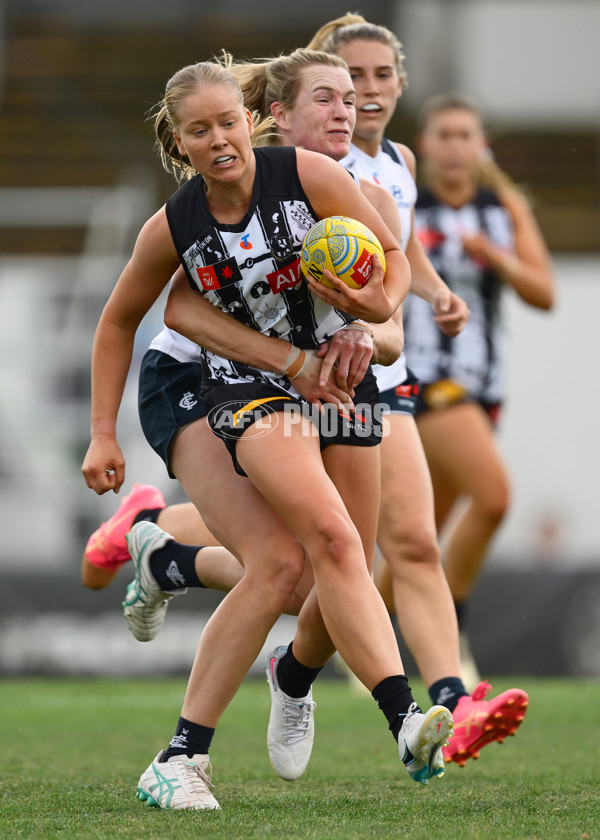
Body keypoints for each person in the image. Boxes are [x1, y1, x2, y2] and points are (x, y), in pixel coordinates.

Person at [81, 53, 453, 811]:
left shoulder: (315, 177)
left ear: (250, 121)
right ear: (179, 142)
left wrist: (367, 305)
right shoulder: (175, 224)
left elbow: (391, 268)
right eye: (199, 130)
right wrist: (101, 435)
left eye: (226, 122)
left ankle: (299, 676)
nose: (218, 139)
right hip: (239, 383)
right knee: (296, 555)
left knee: (335, 556)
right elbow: (133, 318)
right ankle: (394, 717)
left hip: (325, 376)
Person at [305, 14, 530, 764]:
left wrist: (432, 293)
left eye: (378, 77)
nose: (364, 93)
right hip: (312, 379)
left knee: (413, 542)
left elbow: (396, 249)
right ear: (324, 86)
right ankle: (161, 544)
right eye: (349, 79)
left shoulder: (397, 159)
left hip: (385, 375)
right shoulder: (311, 159)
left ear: (400, 83)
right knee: (288, 558)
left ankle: (452, 705)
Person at [401, 90, 555, 682]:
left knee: (419, 536)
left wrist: (497, 257)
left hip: (485, 387)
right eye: (445, 134)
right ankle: (453, 631)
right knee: (494, 497)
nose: (455, 146)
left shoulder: (503, 207)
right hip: (427, 382)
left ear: (480, 145)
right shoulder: (406, 202)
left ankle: (333, 637)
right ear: (426, 145)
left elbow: (543, 293)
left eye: (466, 135)